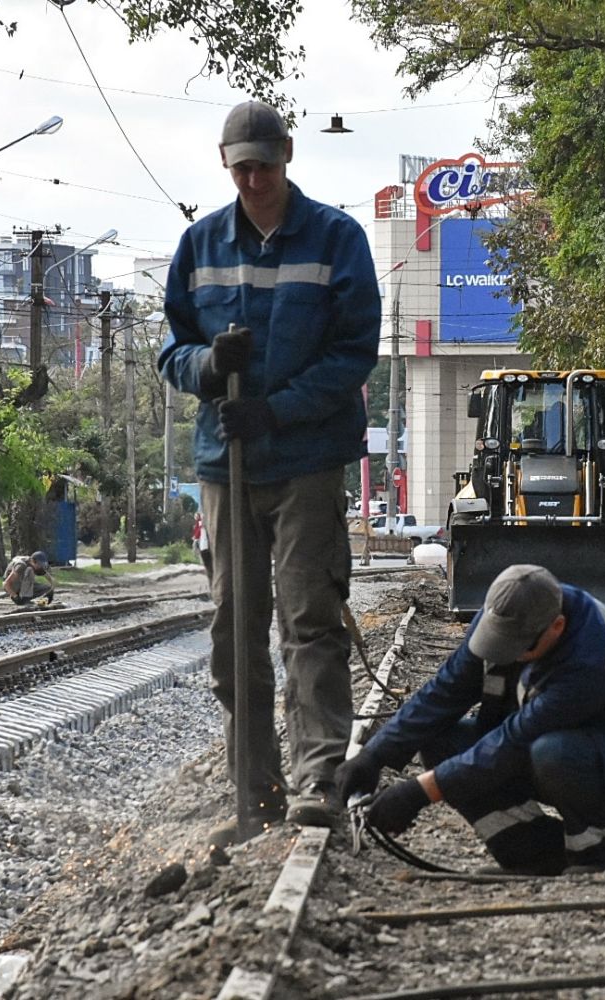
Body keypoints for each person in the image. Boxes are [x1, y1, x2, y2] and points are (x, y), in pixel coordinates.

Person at [156, 99, 381, 836]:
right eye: (242, 167)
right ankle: (254, 795)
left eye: (265, 165)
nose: (254, 180)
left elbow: (352, 354)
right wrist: (207, 365)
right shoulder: (199, 246)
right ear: (227, 164)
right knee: (234, 633)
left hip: (307, 461)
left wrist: (277, 410)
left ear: (288, 157)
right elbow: (171, 352)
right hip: (228, 465)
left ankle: (318, 783)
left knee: (309, 623)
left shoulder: (337, 240)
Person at [335, 565, 605, 875]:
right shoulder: (505, 615)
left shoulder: (593, 659)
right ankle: (534, 854)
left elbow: (512, 742)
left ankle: (604, 854)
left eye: (520, 649)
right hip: (549, 748)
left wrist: (418, 792)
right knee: (440, 740)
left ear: (557, 626)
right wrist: (373, 755)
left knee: (554, 752)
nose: (507, 655)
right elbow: (443, 694)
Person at [192, 511, 213, 579]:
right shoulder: (198, 522)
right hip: (200, 538)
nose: (195, 517)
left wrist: (196, 536)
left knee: (199, 550)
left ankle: (201, 562)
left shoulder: (200, 522)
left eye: (196, 516)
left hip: (201, 539)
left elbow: (199, 529)